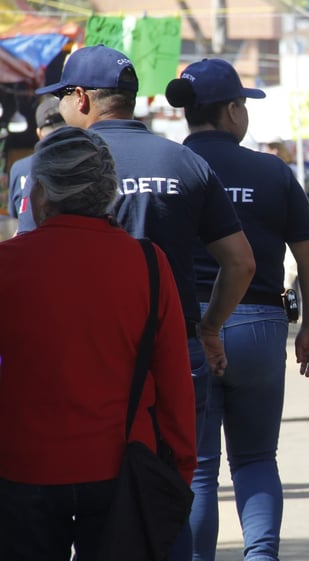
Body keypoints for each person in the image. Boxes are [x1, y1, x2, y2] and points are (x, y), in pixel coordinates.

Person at [36, 44, 255, 559]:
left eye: (64, 96)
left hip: (79, 356)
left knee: (68, 486)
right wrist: (208, 326)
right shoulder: (184, 159)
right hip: (171, 352)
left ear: (83, 99)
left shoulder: (59, 168)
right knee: (176, 478)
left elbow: (38, 255)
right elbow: (241, 262)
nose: (63, 108)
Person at [0, 126, 196, 560]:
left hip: (22, 466)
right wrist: (180, 468)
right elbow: (174, 382)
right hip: (121, 467)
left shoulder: (7, 264)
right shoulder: (148, 262)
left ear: (42, 194)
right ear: (108, 193)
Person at [165, 58, 309, 561]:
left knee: (200, 467)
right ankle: (260, 556)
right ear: (232, 111)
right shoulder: (271, 171)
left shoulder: (169, 167)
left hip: (187, 329)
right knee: (255, 459)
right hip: (259, 324)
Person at [7, 95, 66, 234]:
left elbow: (16, 217)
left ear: (39, 133)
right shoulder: (82, 162)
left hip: (30, 247)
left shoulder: (19, 168)